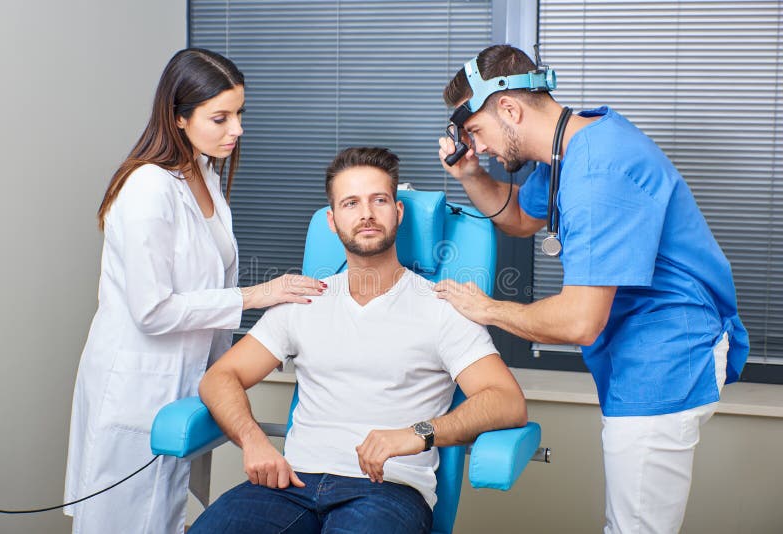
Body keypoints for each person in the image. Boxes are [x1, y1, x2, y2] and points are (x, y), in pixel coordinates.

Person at [433, 44, 750, 534]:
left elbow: (580, 321)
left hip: (666, 360)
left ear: (510, 109)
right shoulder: (569, 148)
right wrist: (471, 175)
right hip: (638, 353)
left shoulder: (599, 171)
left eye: (476, 132)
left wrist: (488, 309)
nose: (480, 148)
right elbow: (518, 218)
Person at [188, 147, 527, 534]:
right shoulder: (303, 300)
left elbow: (507, 401)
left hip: (386, 492)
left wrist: (418, 433)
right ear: (333, 222)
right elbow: (220, 377)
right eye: (351, 203)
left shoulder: (442, 308)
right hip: (290, 483)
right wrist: (253, 440)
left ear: (398, 212)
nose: (366, 213)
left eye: (378, 200)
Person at [63, 48, 325, 534]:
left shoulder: (202, 174)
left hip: (184, 382)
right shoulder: (147, 188)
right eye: (220, 117)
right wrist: (257, 296)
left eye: (239, 113)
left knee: (171, 518)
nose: (237, 130)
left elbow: (207, 284)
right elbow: (153, 310)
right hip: (137, 388)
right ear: (179, 118)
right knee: (125, 520)